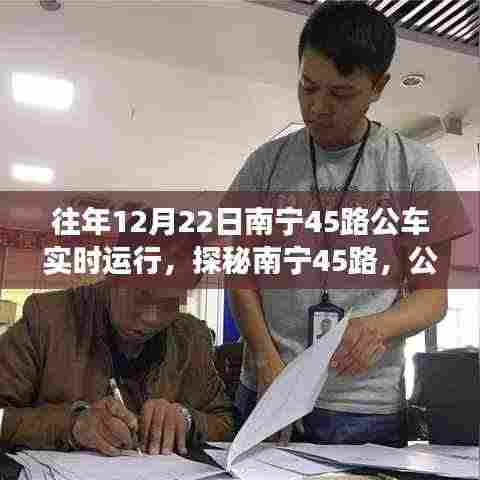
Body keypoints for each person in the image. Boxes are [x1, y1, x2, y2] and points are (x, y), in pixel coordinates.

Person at [228, 1, 471, 447]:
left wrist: (379, 326)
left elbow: (432, 296)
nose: (317, 107)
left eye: (341, 94)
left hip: (364, 409)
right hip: (269, 391)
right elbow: (239, 272)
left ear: (378, 86)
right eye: (307, 86)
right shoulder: (266, 165)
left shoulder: (414, 170)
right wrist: (263, 358)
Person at [0, 209, 233, 456]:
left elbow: (226, 424)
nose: (151, 318)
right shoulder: (46, 318)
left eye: (170, 302)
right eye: (141, 295)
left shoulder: (193, 337)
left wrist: (188, 420)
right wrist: (71, 425)